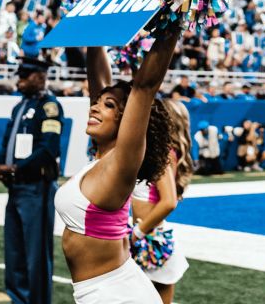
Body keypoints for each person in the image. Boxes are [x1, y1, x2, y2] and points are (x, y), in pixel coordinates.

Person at [56, 33, 179, 303]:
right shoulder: (100, 160)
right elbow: (97, 76)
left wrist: (174, 22)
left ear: (125, 121)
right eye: (96, 102)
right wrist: (94, 28)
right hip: (103, 290)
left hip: (116, 295)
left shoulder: (121, 163)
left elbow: (144, 88)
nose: (95, 108)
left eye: (108, 105)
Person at [0, 58, 64, 304]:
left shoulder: (50, 107)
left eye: (25, 77)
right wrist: (0, 165)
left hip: (37, 187)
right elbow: (7, 141)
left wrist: (15, 167)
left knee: (36, 253)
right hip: (16, 186)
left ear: (40, 77)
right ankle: (18, 300)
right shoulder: (20, 106)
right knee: (14, 251)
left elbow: (49, 149)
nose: (19, 81)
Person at [131, 99, 194, 303]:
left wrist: (138, 233)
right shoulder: (156, 152)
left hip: (151, 239)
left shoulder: (165, 154)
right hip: (143, 236)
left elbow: (169, 201)